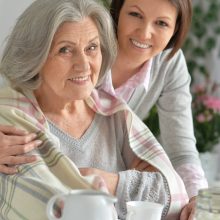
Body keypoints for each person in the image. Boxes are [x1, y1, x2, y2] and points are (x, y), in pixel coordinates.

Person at [0, 0, 188, 219]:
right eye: (65, 50)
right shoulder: (12, 121)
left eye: (91, 48)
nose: (84, 65)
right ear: (35, 57)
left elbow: (172, 194)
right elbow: (48, 209)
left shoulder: (114, 114)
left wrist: (110, 183)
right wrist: (128, 191)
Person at [98, 0, 208, 219]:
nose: (144, 33)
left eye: (161, 23)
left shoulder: (169, 63)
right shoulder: (89, 44)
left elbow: (181, 150)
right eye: (135, 15)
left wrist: (198, 200)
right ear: (117, 12)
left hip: (113, 191)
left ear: (175, 29)